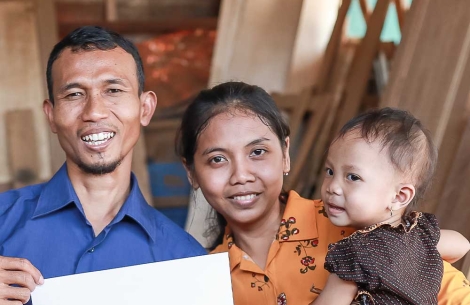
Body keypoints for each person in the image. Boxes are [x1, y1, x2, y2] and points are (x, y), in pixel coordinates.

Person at [176, 81, 470, 305]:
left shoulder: (361, 230)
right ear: (192, 173)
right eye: (217, 159)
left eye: (257, 152)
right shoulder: (206, 283)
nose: (241, 175)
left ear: (285, 154)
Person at [0, 26, 206, 304]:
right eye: (74, 94)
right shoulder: (3, 220)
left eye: (113, 90)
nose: (94, 111)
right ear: (51, 115)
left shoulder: (185, 260)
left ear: (145, 108)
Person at [311, 108, 470, 304]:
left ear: (400, 196)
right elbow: (462, 244)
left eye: (353, 177)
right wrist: (418, 247)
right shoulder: (420, 234)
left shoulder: (358, 253)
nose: (333, 187)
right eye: (330, 171)